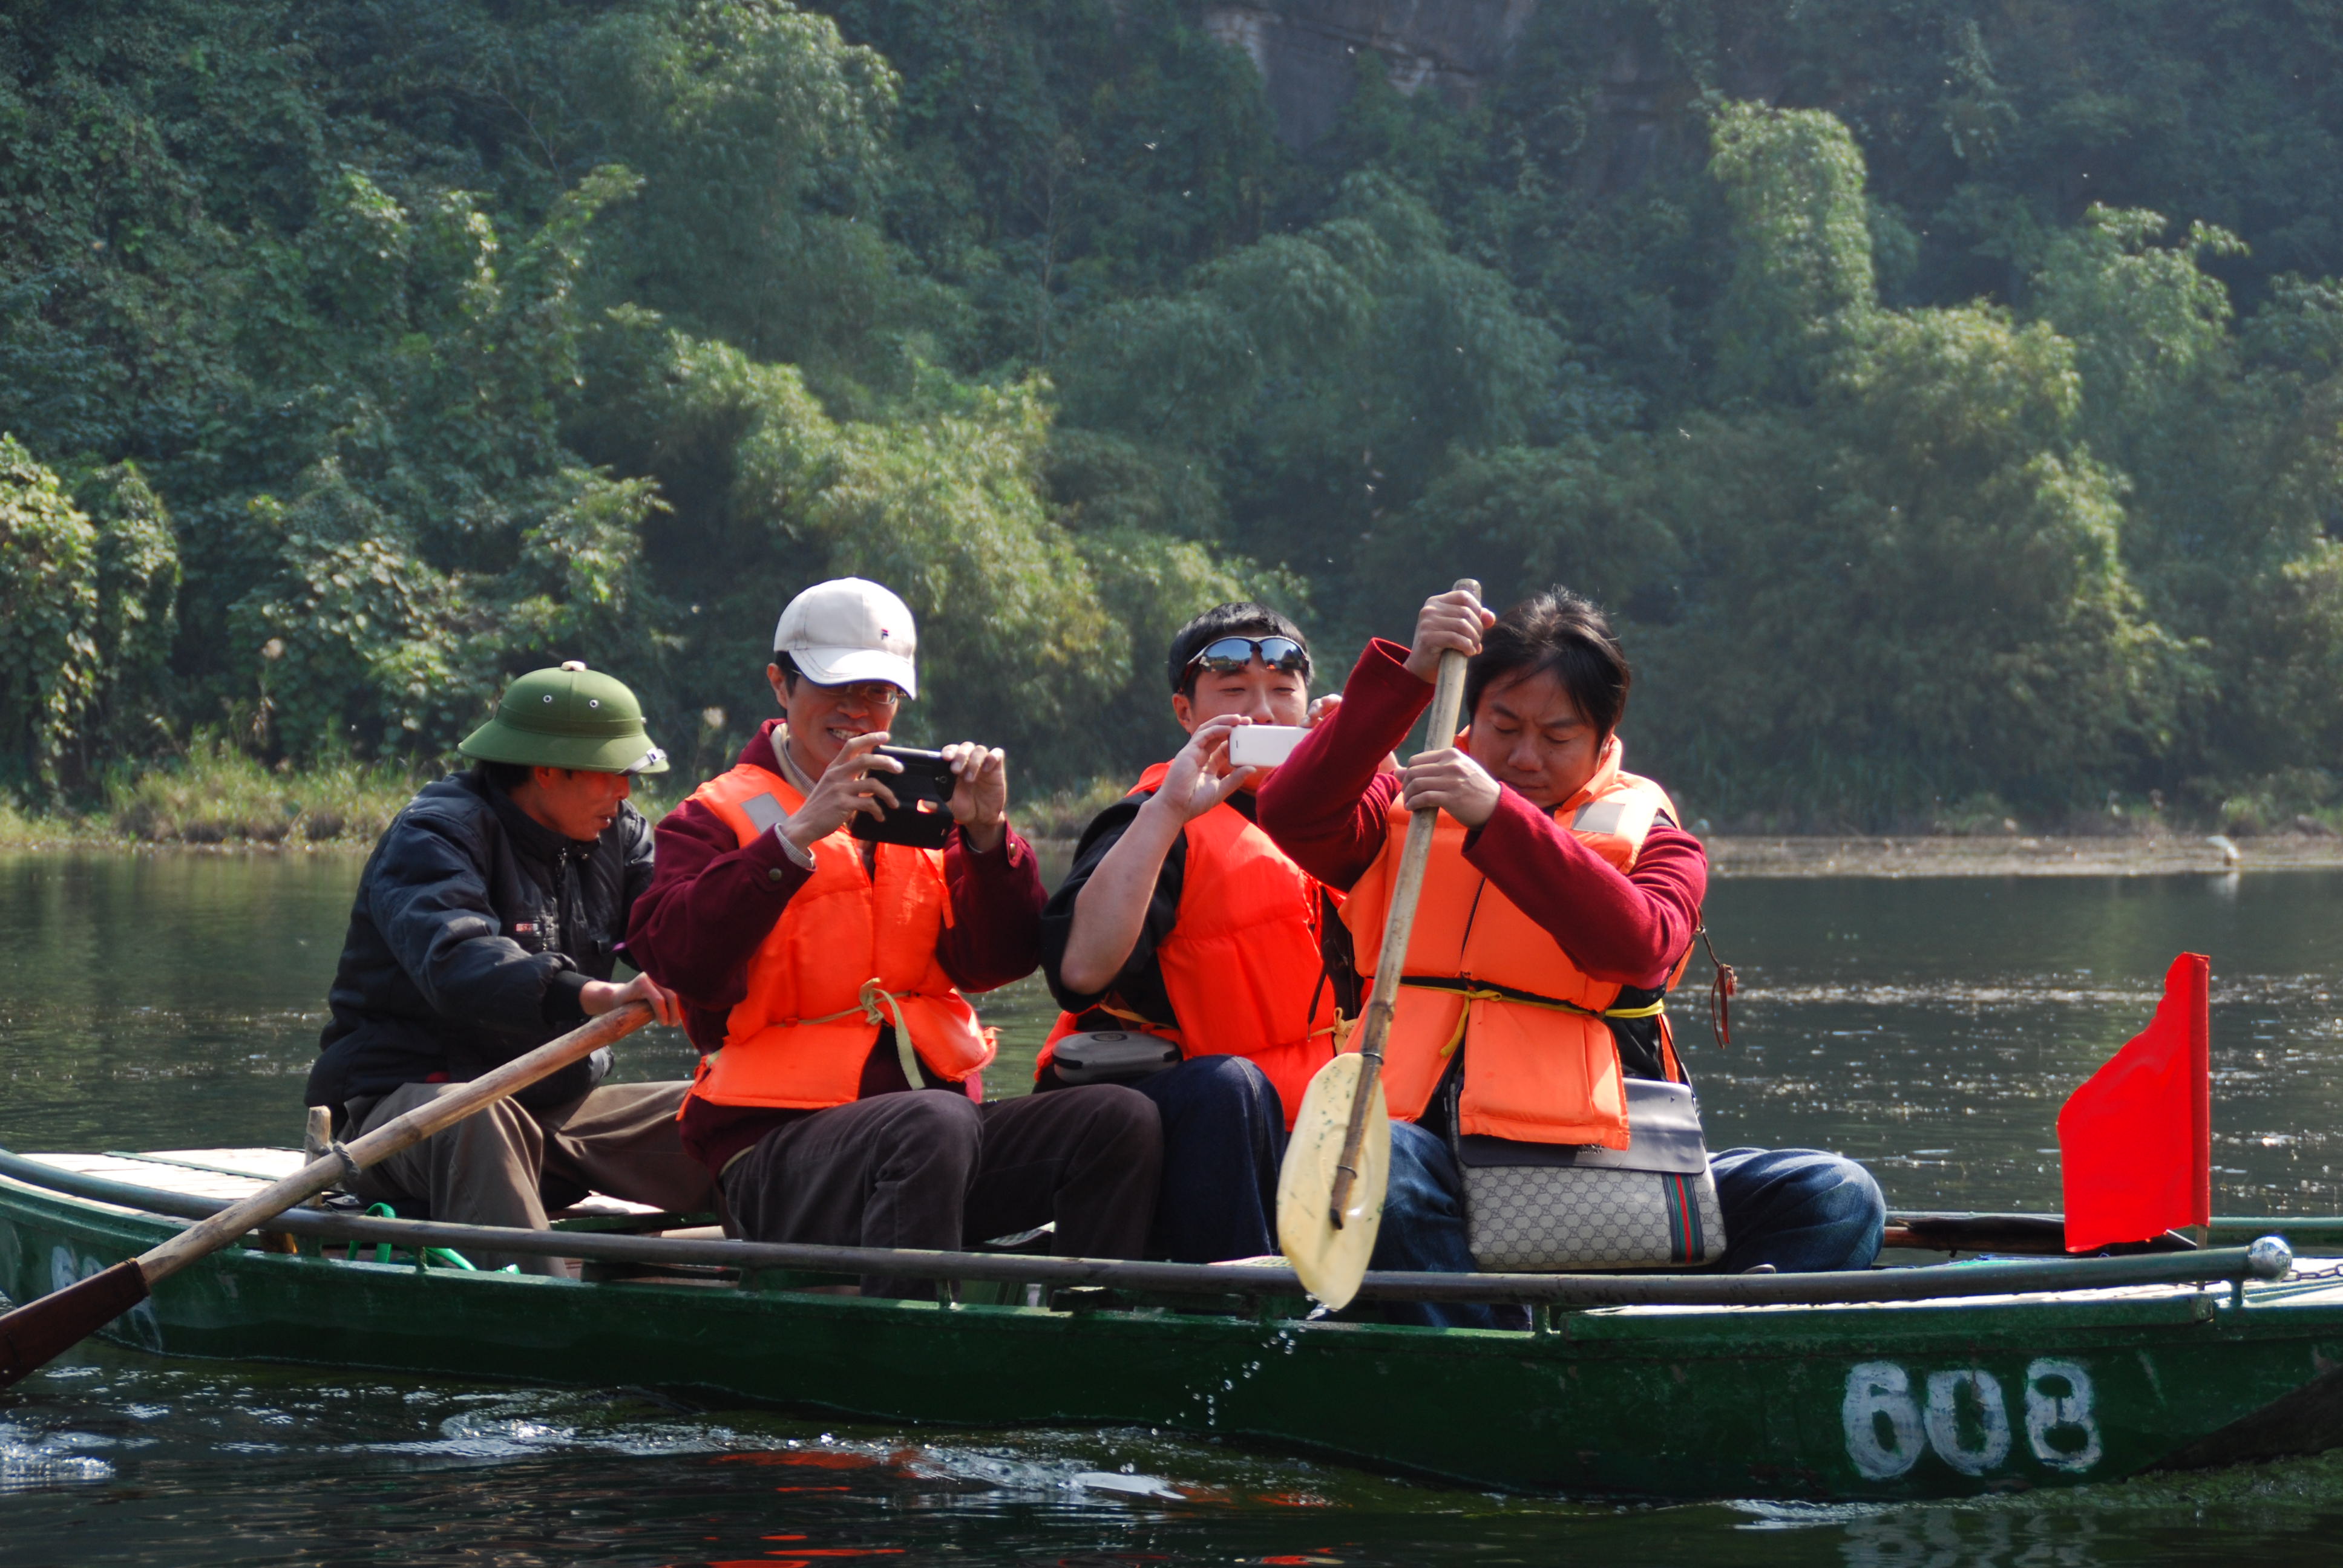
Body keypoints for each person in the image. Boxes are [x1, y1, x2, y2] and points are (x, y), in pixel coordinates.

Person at [1256, 585, 1885, 1285]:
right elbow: (1292, 816)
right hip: (1419, 1145)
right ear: (1469, 714)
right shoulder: (1405, 802)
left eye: (1557, 738)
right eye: (1502, 726)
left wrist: (1498, 817)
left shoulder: (1659, 842)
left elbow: (1638, 946)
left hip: (1594, 1155)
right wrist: (1413, 676)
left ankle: (1698, 1345)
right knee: (1383, 1170)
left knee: (1836, 1194)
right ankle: (1500, 1349)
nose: (1525, 757)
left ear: (1601, 738)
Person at [625, 577, 1159, 1292]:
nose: (858, 710)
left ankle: (1095, 1334)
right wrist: (794, 837)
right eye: (835, 688)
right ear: (780, 686)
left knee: (1119, 1120)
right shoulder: (711, 819)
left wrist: (984, 836)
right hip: (775, 1162)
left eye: (878, 693)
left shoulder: (924, 814)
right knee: (928, 1125)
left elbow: (995, 962)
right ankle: (905, 1349)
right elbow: (675, 956)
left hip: (935, 1142)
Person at [305, 662, 716, 1273]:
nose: (627, 792)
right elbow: (459, 962)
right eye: (612, 774)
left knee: (729, 1107)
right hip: (403, 1116)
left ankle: (801, 1284)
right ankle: (546, 1323)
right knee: (478, 1115)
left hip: (550, 1107)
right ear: (547, 771)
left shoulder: (620, 836)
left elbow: (674, 930)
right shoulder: (436, 833)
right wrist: (592, 993)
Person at [1038, 604, 1345, 1264]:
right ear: (1185, 715)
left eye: (1281, 693)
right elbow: (1078, 973)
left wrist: (1369, 771)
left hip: (1322, 1119)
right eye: (1233, 695)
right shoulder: (1151, 821)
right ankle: (1239, 1314)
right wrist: (1169, 813)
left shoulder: (1354, 822)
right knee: (1229, 1087)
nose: (1261, 714)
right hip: (1198, 1116)